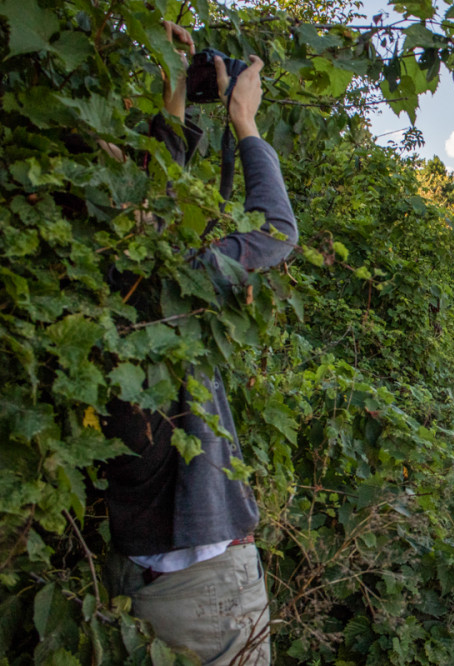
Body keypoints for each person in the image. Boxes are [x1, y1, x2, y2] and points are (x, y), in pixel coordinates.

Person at [100, 21, 297, 665]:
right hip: (209, 590)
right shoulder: (173, 283)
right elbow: (274, 230)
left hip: (136, 585)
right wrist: (245, 121)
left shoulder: (104, 285)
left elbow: (154, 202)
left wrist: (174, 95)